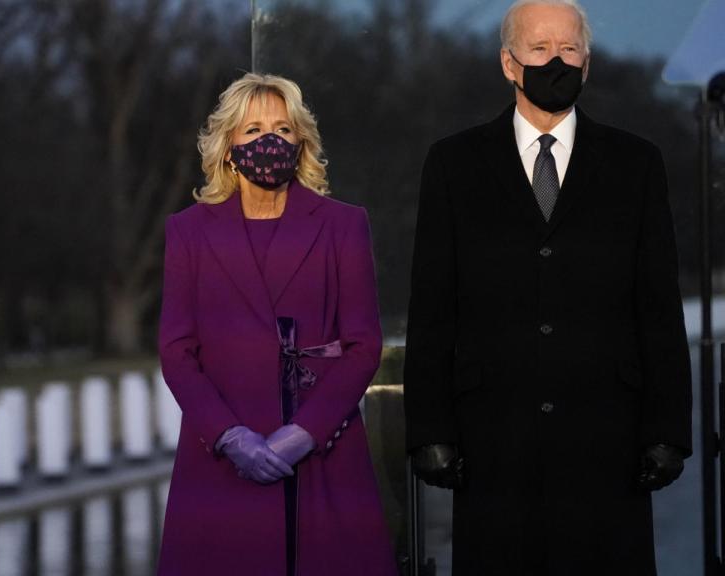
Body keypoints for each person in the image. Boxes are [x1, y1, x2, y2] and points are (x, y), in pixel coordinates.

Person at [403, 1, 692, 574]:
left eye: (568, 49)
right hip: (493, 443)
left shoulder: (637, 164)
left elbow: (658, 305)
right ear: (509, 64)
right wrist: (430, 430)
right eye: (539, 49)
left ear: (587, 65)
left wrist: (668, 431)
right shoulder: (453, 164)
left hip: (607, 441)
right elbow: (433, 306)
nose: (554, 61)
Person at [157, 73, 398, 576]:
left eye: (283, 129)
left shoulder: (344, 224)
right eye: (252, 130)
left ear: (301, 142)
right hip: (222, 462)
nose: (270, 140)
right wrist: (229, 437)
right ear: (227, 147)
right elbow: (176, 350)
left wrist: (302, 434)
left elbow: (363, 345)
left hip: (322, 454)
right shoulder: (189, 231)